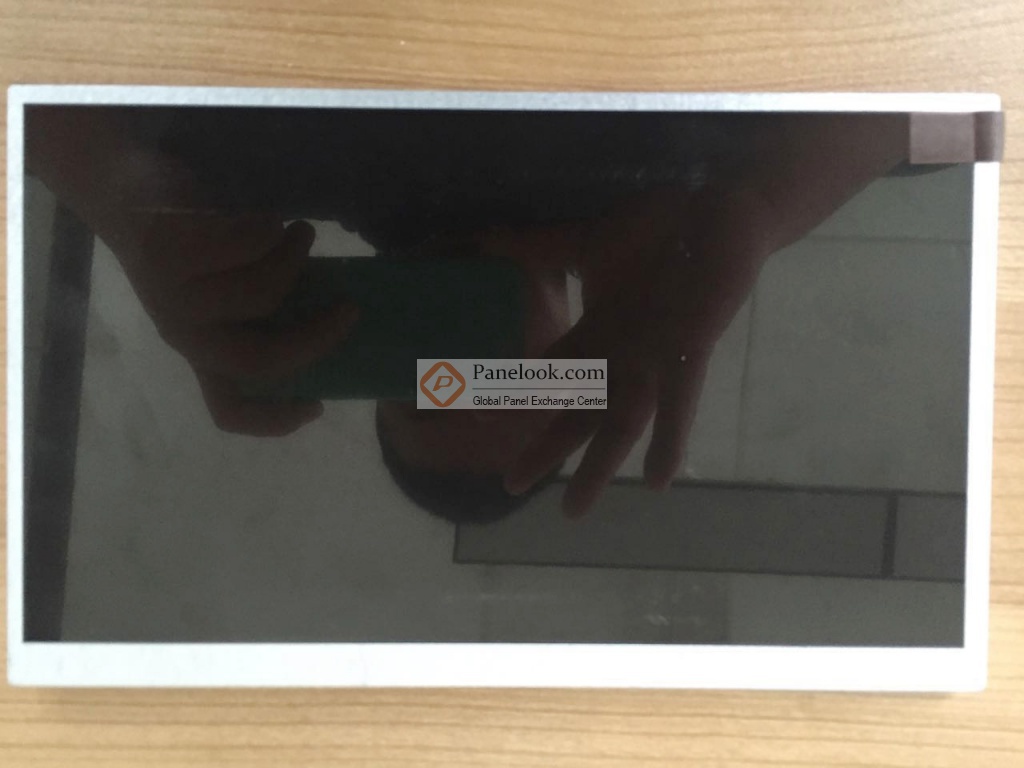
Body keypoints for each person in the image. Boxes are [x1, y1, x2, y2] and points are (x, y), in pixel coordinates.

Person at [25, 106, 909, 520]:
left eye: (440, 386)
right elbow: (945, 81)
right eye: (513, 385)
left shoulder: (244, 177)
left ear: (369, 374)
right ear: (573, 359)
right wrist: (760, 207)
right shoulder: (712, 183)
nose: (470, 359)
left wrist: (122, 200)